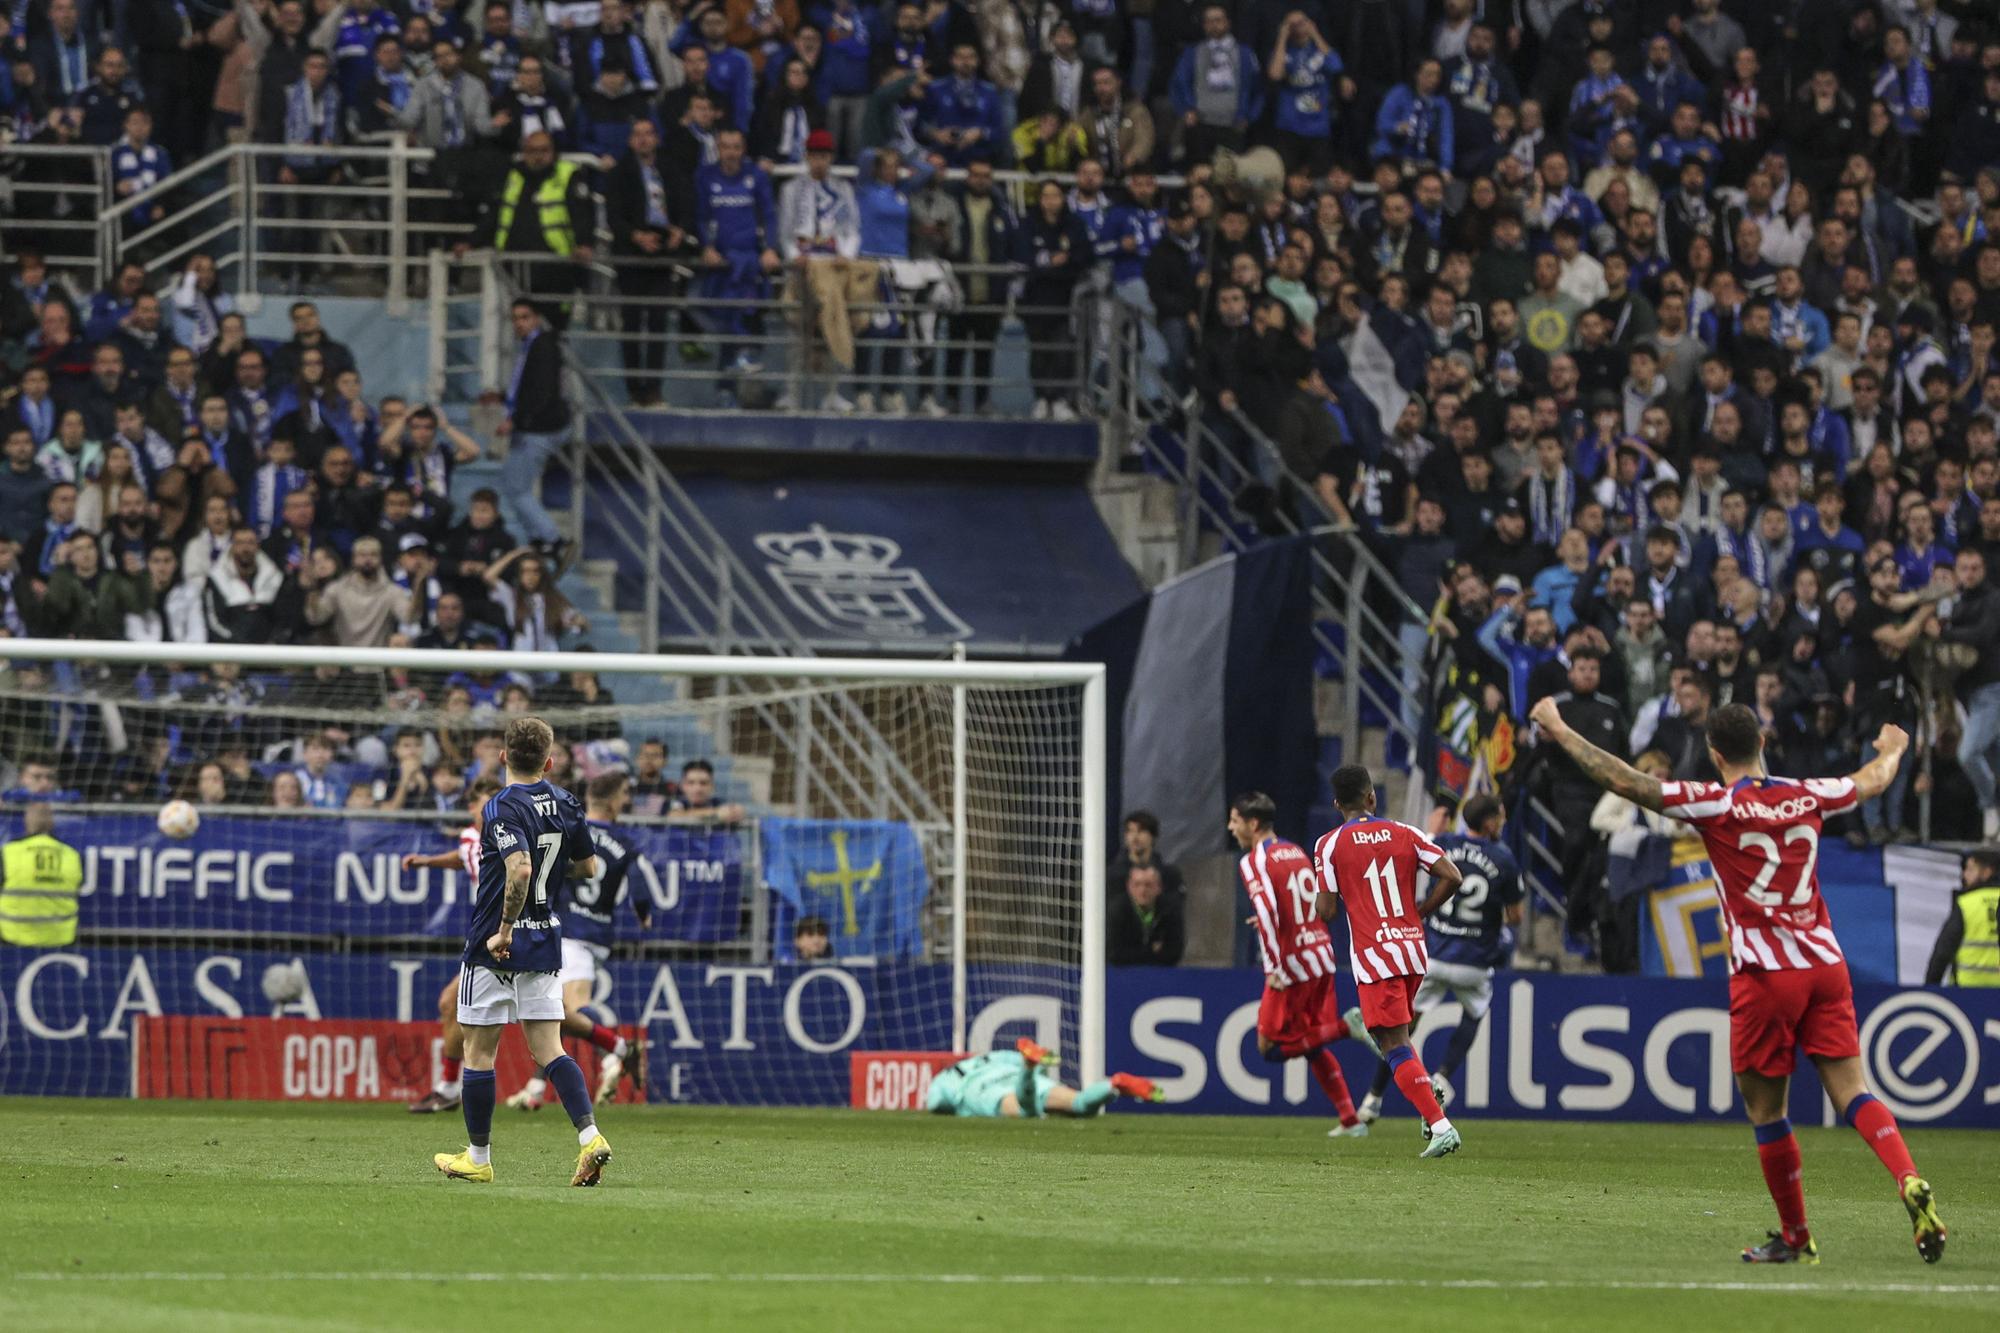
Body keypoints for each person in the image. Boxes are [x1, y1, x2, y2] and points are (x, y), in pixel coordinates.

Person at [1527, 695, 1944, 1265]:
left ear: (1713, 752)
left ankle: (1797, 1237)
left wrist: (1558, 728)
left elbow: (1624, 781)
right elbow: (1871, 780)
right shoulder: (1810, 793)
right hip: (1824, 964)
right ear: (1763, 745)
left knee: (1767, 1111)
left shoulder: (1714, 802)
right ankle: (1908, 1177)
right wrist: (1895, 747)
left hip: (1765, 974)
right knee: (1854, 1090)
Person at [433, 716, 612, 1187]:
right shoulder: (569, 802)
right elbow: (589, 868)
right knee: (549, 1049)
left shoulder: (501, 806)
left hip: (498, 945)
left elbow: (518, 870)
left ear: (504, 756)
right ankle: (590, 1136)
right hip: (546, 939)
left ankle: (478, 1157)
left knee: (478, 1051)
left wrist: (505, 928)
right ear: (549, 761)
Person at [1313, 763, 1466, 1159]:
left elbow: (1326, 910)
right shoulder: (1406, 832)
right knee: (1399, 1039)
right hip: (1413, 950)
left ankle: (1440, 1125)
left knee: (1392, 1044)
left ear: (1336, 804)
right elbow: (1452, 875)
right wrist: (1423, 910)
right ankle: (1427, 1100)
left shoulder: (1329, 845)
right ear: (1371, 797)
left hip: (1375, 956)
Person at [1358, 795, 1523, 1123]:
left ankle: (1373, 1099)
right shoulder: (1504, 858)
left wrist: (1432, 832)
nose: (1502, 824)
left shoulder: (1444, 843)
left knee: (1398, 1034)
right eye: (1500, 818)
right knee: (1474, 1013)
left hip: (1432, 956)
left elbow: (1419, 852)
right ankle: (1444, 1076)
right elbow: (1516, 916)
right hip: (1474, 963)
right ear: (1488, 822)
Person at [1229, 790, 1376, 1138]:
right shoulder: (1294, 851)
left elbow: (1266, 910)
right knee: (1311, 1043)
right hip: (1321, 954)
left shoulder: (1254, 861)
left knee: (1270, 1047)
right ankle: (1351, 1121)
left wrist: (1273, 968)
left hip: (1292, 965)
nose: (1230, 827)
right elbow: (1298, 902)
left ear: (1252, 824)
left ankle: (1346, 1027)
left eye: (1234, 820)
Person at [508, 771, 650, 1110]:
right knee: (555, 1010)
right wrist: (644, 915)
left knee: (563, 1009)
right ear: (615, 799)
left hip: (567, 930)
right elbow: (641, 890)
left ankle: (613, 1055)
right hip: (598, 936)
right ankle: (536, 1086)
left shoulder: (571, 829)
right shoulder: (626, 844)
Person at [403, 774, 502, 1114]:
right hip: (491, 935)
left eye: (493, 803)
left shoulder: (507, 838)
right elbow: (463, 856)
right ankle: (448, 1088)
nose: (487, 810)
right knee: (452, 1004)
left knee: (545, 1023)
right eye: (482, 803)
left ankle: (452, 1089)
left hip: (505, 935)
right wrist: (428, 861)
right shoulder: (472, 838)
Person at [498, 300, 571, 564]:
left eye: (525, 317)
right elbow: (527, 387)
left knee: (517, 489)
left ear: (537, 318)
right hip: (535, 425)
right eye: (515, 318)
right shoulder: (533, 346)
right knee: (514, 485)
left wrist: (515, 420)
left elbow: (541, 392)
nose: (519, 323)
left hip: (538, 429)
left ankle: (552, 539)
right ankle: (538, 539)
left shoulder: (542, 347)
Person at [924, 1037, 1162, 1118]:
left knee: (1024, 1111)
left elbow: (935, 1103)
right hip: (1015, 1076)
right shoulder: (992, 1057)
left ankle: (1026, 1070)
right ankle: (1113, 1086)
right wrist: (1029, 1069)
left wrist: (955, 1104)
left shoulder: (945, 1079)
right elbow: (1042, 1069)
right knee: (1080, 1105)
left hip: (983, 1090)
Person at [0, 803, 84, 947]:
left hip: (13, 937)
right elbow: (77, 888)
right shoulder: (71, 855)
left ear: (27, 822)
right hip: (61, 939)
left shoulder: (8, 852)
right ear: (52, 823)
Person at [1107, 862, 1184, 967]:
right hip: (1123, 975)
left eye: (1148, 885)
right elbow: (1114, 954)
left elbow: (1175, 952)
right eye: (1137, 884)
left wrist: (1134, 952)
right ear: (1129, 887)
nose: (1142, 890)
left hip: (1160, 974)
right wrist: (1151, 950)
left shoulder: (1170, 910)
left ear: (1159, 888)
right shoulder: (1117, 910)